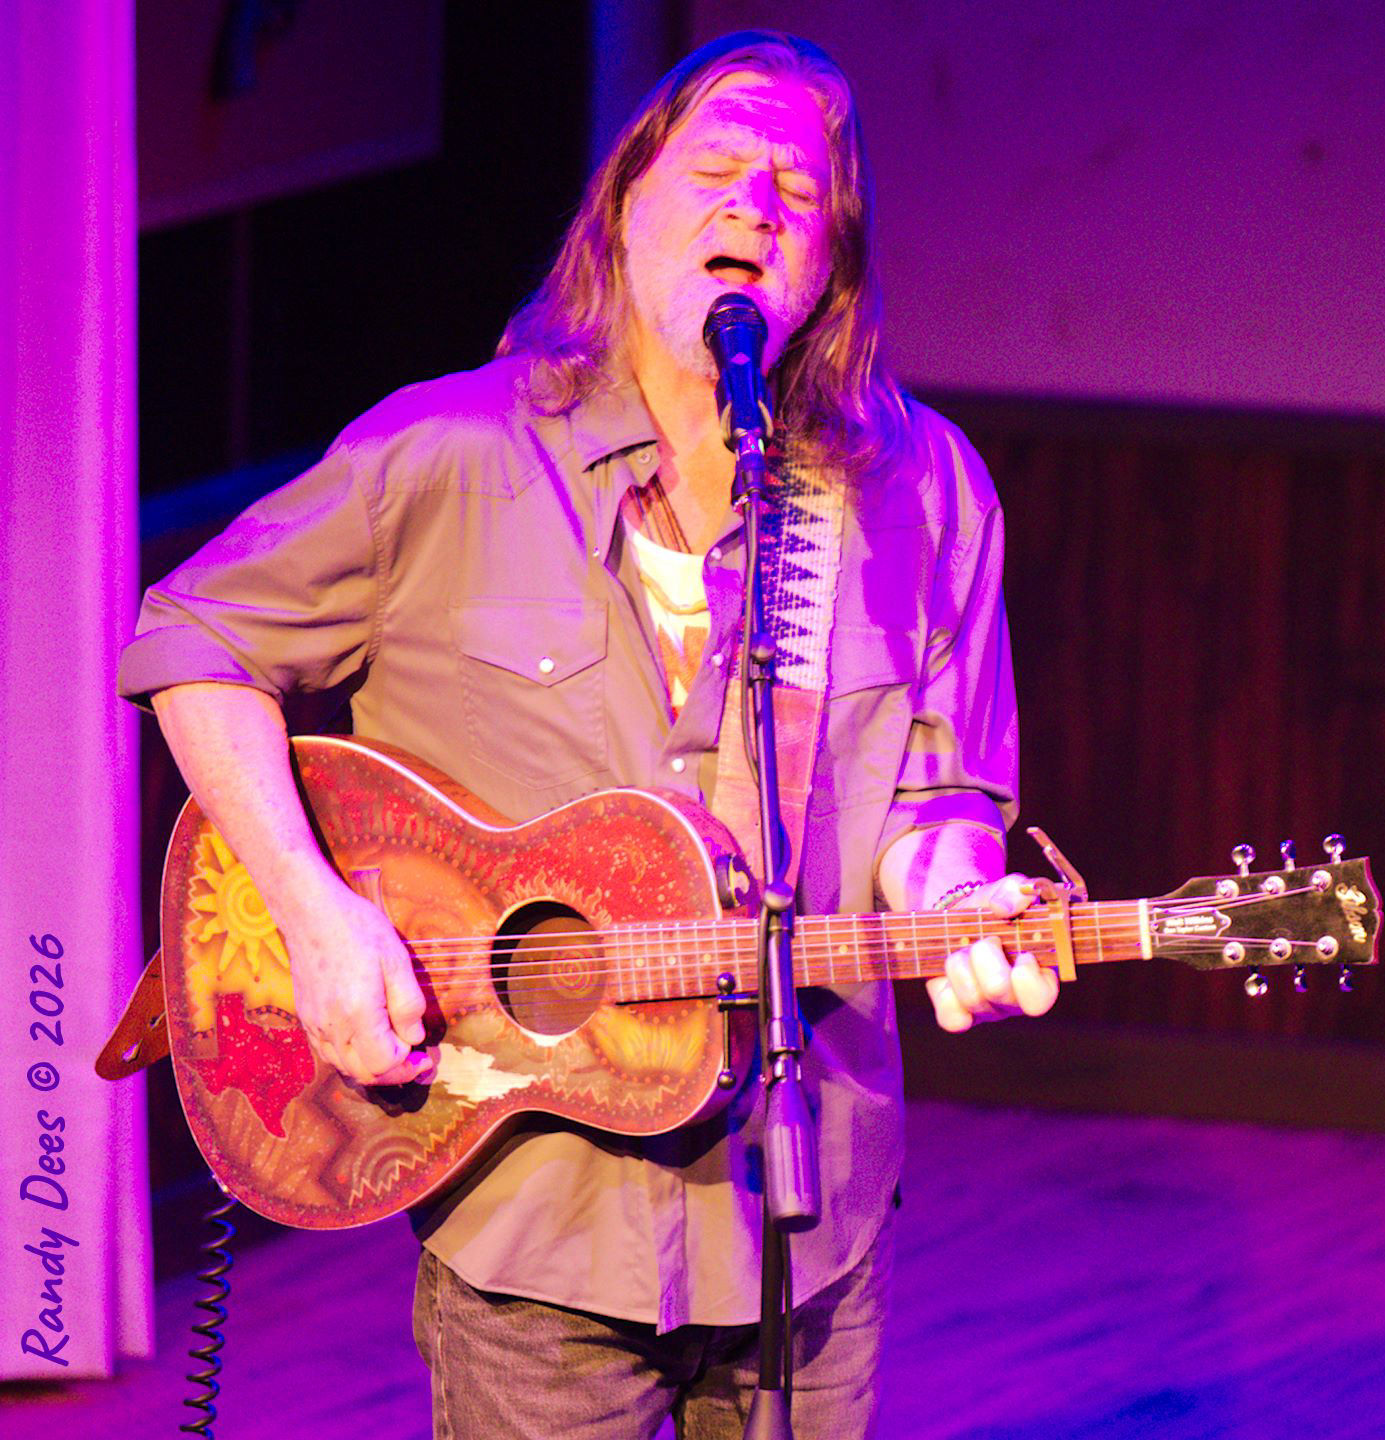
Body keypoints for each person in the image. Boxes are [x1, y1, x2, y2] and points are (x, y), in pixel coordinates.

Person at [118, 29, 1059, 1439]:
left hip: (807, 1216)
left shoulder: (921, 492)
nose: (754, 207)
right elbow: (195, 639)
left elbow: (938, 796)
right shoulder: (449, 457)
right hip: (532, 1214)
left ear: (829, 268)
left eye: (798, 195)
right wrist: (315, 916)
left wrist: (964, 911)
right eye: (718, 170)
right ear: (624, 207)